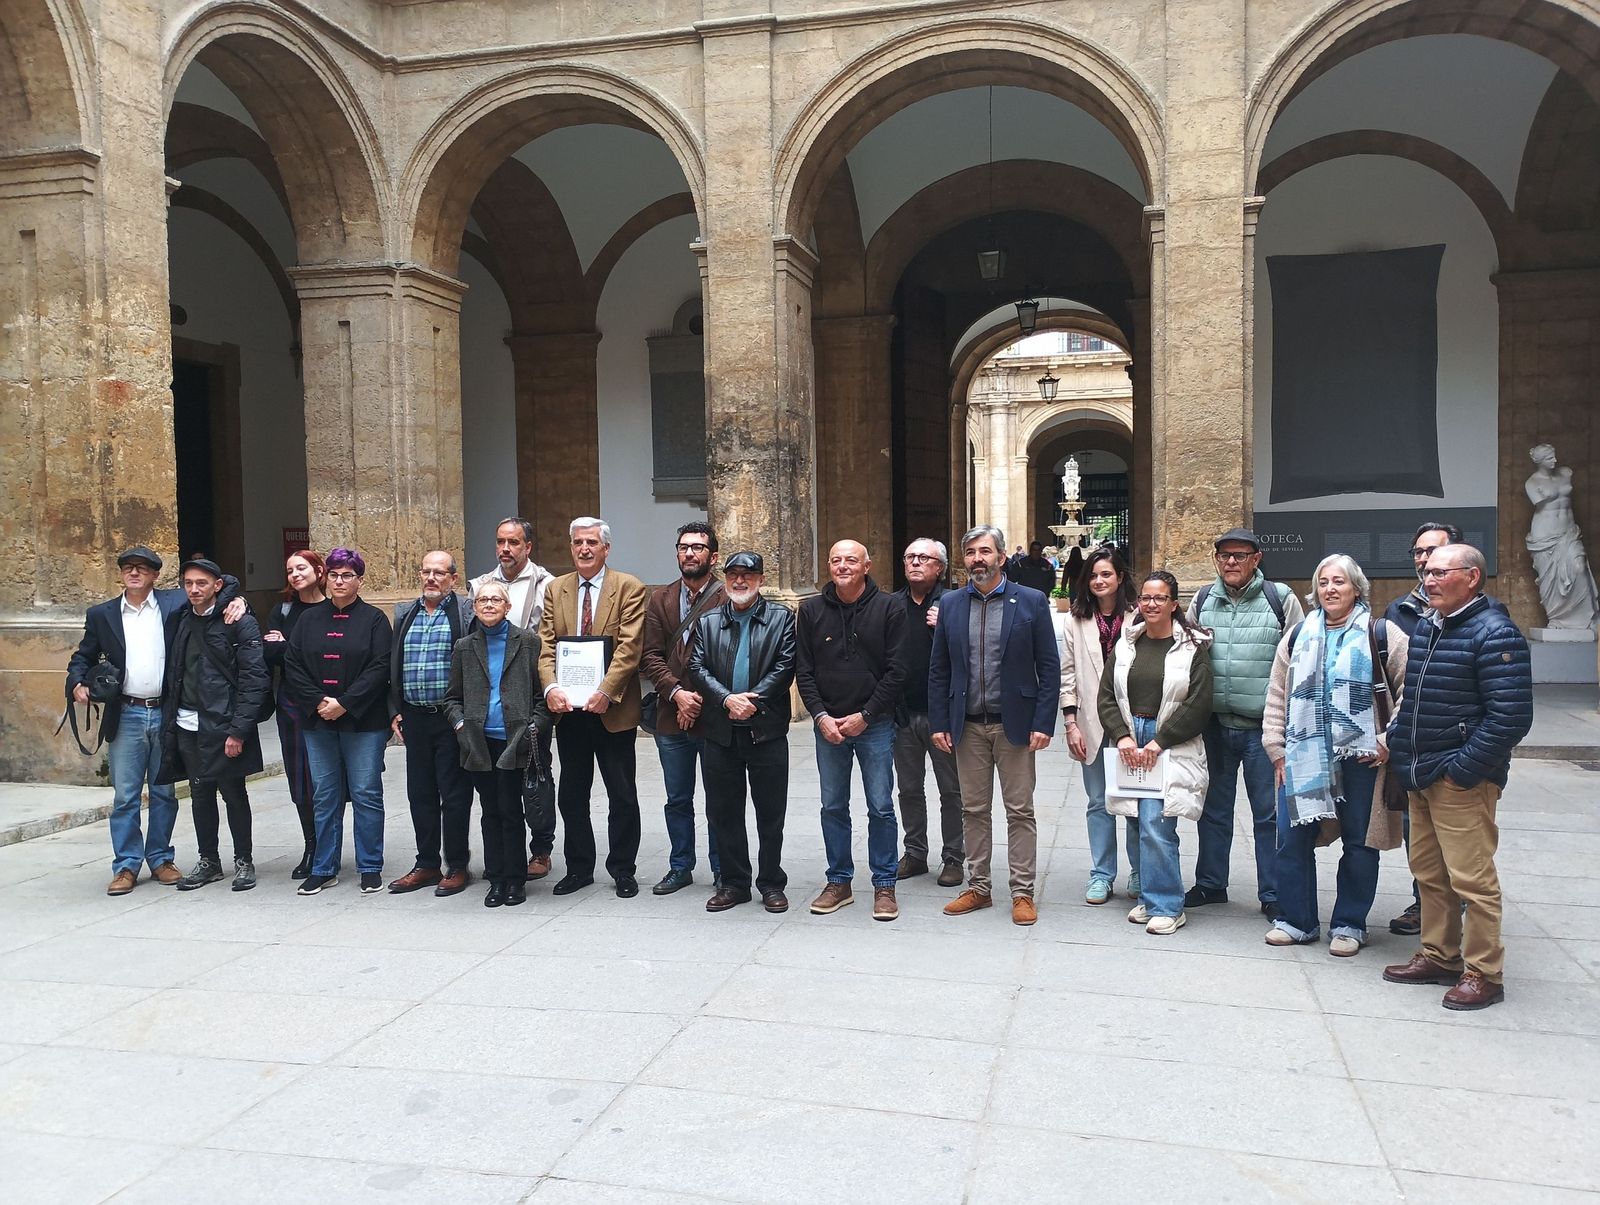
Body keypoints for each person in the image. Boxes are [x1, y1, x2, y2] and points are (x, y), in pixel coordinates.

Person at [1383, 544, 1533, 1011]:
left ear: (1471, 577)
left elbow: (1510, 718)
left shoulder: (1496, 633)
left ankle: (1484, 973)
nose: (1428, 579)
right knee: (1429, 874)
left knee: (1473, 881)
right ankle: (1438, 955)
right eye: (1426, 572)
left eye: (1439, 572)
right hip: (1421, 772)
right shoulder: (1430, 626)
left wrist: (1462, 772)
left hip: (1459, 779)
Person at [65, 546, 243, 895]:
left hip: (165, 710)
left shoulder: (174, 603)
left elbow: (221, 583)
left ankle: (161, 858)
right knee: (126, 795)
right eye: (128, 568)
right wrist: (76, 682)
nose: (135, 573)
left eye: (143, 569)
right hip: (127, 711)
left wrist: (239, 601)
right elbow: (81, 656)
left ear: (155, 576)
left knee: (164, 792)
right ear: (120, 574)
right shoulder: (102, 614)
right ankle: (126, 865)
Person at [1261, 555, 1407, 956]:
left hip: (1362, 758)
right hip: (1304, 754)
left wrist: (1385, 739)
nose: (1330, 589)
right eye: (1323, 582)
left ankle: (1349, 923)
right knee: (1291, 840)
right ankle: (1296, 920)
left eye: (1339, 581)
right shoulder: (1296, 636)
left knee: (1360, 843)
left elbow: (1411, 694)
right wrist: (1277, 751)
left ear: (1356, 588)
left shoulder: (1383, 635)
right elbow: (1277, 696)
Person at [931, 525, 1060, 926]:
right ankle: (979, 887)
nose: (977, 559)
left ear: (1002, 557)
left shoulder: (1032, 601)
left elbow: (1049, 666)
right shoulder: (951, 604)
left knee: (1020, 811)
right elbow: (939, 669)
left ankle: (1022, 892)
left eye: (984, 551)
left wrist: (1044, 720)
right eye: (970, 552)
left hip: (1015, 725)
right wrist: (939, 720)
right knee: (973, 809)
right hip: (966, 725)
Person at [1186, 527, 1304, 920]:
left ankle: (1272, 892)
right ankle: (1210, 883)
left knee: (1268, 815)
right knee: (1212, 810)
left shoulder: (1280, 599)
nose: (1231, 562)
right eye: (1224, 556)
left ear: (1257, 559)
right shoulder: (1202, 599)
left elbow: (1298, 662)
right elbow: (1184, 655)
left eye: (1240, 555)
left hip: (1262, 729)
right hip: (1215, 726)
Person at [538, 517, 650, 898]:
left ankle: (623, 869)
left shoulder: (629, 587)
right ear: (571, 547)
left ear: (606, 548)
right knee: (572, 794)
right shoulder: (556, 589)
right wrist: (551, 685)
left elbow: (630, 647)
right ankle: (579, 868)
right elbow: (547, 644)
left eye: (591, 543)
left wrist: (606, 691)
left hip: (612, 711)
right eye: (577, 543)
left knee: (622, 794)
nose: (584, 549)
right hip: (570, 712)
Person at [796, 539, 907, 920]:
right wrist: (820, 716)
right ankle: (839, 881)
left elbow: (897, 671)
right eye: (836, 560)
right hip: (829, 726)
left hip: (873, 725)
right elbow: (804, 670)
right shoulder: (810, 610)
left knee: (880, 805)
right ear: (828, 566)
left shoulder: (890, 607)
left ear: (867, 566)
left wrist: (867, 714)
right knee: (832, 805)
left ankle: (884, 884)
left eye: (851, 561)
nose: (842, 566)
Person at [1098, 570, 1213, 935]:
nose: (1150, 604)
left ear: (1173, 604)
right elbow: (1106, 696)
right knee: (1135, 821)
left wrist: (1159, 741)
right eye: (1145, 598)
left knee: (1157, 823)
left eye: (1159, 598)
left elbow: (1198, 703)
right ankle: (1149, 899)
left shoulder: (1192, 648)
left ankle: (1168, 904)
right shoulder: (1126, 644)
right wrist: (1122, 736)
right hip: (1132, 739)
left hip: (1168, 742)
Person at [688, 552, 796, 914]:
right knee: (723, 812)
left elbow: (785, 665)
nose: (739, 581)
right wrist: (726, 699)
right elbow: (697, 666)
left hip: (765, 731)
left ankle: (770, 883)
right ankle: (734, 883)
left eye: (747, 575)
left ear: (760, 579)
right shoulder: (709, 621)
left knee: (771, 813)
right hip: (721, 733)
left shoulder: (781, 618)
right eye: (732, 574)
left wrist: (753, 700)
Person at [284, 547, 394, 896]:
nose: (340, 581)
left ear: (360, 580)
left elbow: (380, 667)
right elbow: (293, 664)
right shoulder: (308, 619)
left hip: (363, 722)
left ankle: (370, 865)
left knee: (365, 792)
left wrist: (345, 703)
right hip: (318, 722)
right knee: (325, 794)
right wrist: (318, 702)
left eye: (347, 575)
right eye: (334, 574)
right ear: (325, 578)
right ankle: (324, 867)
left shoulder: (375, 619)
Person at [157, 558, 267, 893]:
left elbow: (254, 679)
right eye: (188, 583)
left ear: (217, 585)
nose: (193, 589)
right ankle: (209, 861)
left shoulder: (239, 621)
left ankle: (244, 860)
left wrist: (238, 730)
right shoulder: (181, 618)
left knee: (234, 792)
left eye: (201, 583)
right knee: (199, 792)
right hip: (187, 721)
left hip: (224, 723)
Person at [445, 580, 550, 908]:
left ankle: (515, 879)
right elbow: (451, 698)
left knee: (510, 810)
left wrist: (535, 725)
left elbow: (542, 695)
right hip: (478, 742)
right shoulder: (464, 646)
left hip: (515, 741)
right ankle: (496, 878)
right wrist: (460, 724)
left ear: (507, 607)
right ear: (474, 608)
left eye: (496, 600)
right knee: (490, 811)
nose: (489, 605)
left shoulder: (529, 642)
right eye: (482, 600)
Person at [469, 516, 557, 881]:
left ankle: (541, 848)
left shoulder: (547, 584)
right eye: (501, 541)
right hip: (492, 700)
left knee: (536, 774)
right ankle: (504, 858)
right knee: (497, 791)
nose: (506, 549)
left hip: (530, 693)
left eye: (514, 543)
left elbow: (551, 637)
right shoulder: (480, 586)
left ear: (528, 547)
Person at [640, 521, 725, 895]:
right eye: (683, 547)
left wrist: (697, 700)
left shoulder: (726, 598)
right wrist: (676, 694)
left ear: (713, 556)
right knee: (677, 798)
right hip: (670, 717)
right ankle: (680, 866)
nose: (689, 553)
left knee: (719, 798)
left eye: (698, 547)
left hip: (712, 718)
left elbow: (725, 660)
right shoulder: (659, 598)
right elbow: (650, 655)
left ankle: (725, 868)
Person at [387, 551, 474, 897]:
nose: (431, 578)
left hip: (450, 719)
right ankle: (426, 863)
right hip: (414, 719)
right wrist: (395, 709)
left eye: (440, 573)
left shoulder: (465, 612)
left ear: (454, 578)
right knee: (419, 794)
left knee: (454, 795)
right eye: (426, 571)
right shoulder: (404, 613)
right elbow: (393, 663)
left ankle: (456, 864)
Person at [1060, 545, 1139, 904]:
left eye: (1106, 574)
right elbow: (1068, 676)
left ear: (1120, 577)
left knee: (1137, 800)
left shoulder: (1138, 616)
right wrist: (1071, 723)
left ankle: (1140, 872)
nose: (1098, 581)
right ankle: (1102, 874)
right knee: (1097, 801)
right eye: (1092, 575)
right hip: (1091, 723)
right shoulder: (1076, 620)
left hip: (1132, 723)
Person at [891, 538, 964, 887]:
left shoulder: (955, 603)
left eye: (924, 558)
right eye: (910, 557)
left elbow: (971, 653)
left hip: (943, 716)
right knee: (908, 789)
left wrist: (947, 626)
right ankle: (915, 853)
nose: (915, 563)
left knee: (951, 790)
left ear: (940, 567)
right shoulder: (891, 605)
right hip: (903, 713)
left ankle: (953, 857)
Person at [262, 550, 327, 878]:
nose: (295, 574)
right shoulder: (283, 610)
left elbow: (332, 655)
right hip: (292, 707)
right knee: (301, 780)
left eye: (301, 567)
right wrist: (296, 649)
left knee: (330, 780)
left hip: (330, 705)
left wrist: (289, 647)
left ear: (319, 569)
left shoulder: (333, 607)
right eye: (289, 570)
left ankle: (329, 844)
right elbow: (271, 654)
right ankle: (312, 845)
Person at [1525, 442, 1600, 628]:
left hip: (1568, 531)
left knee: (1579, 567)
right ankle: (1557, 619)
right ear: (1539, 461)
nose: (1555, 460)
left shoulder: (1566, 473)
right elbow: (1538, 502)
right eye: (1550, 458)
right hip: (1545, 535)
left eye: (1555, 456)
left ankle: (1587, 618)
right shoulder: (1532, 483)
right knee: (1550, 579)